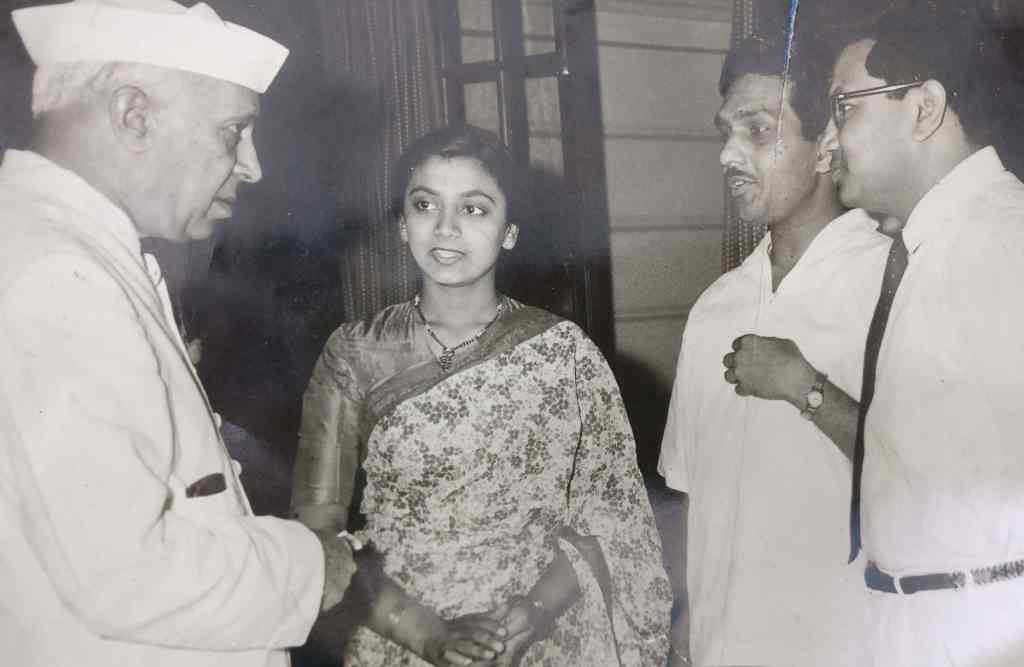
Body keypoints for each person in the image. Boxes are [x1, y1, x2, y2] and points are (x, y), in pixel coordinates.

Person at [0, 1, 366, 665]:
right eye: (233, 131)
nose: (252, 166)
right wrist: (313, 566)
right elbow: (124, 573)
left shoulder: (59, 245)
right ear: (133, 114)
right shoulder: (57, 273)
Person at [291, 124, 672, 666]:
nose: (445, 227)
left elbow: (612, 526)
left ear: (509, 231)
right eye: (425, 205)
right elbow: (316, 536)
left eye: (473, 209)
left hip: (536, 640)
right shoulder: (354, 353)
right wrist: (429, 635)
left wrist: (534, 611)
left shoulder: (561, 354)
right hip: (398, 640)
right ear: (402, 224)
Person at [657, 34, 890, 666]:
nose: (728, 154)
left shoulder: (892, 284)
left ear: (828, 144)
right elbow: (688, 491)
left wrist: (806, 389)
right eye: (725, 133)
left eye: (758, 131)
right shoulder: (715, 307)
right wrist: (685, 619)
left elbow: (930, 479)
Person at [822, 4, 1024, 664]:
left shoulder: (1003, 241)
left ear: (924, 109)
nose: (826, 143)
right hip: (911, 623)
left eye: (843, 109)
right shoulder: (928, 245)